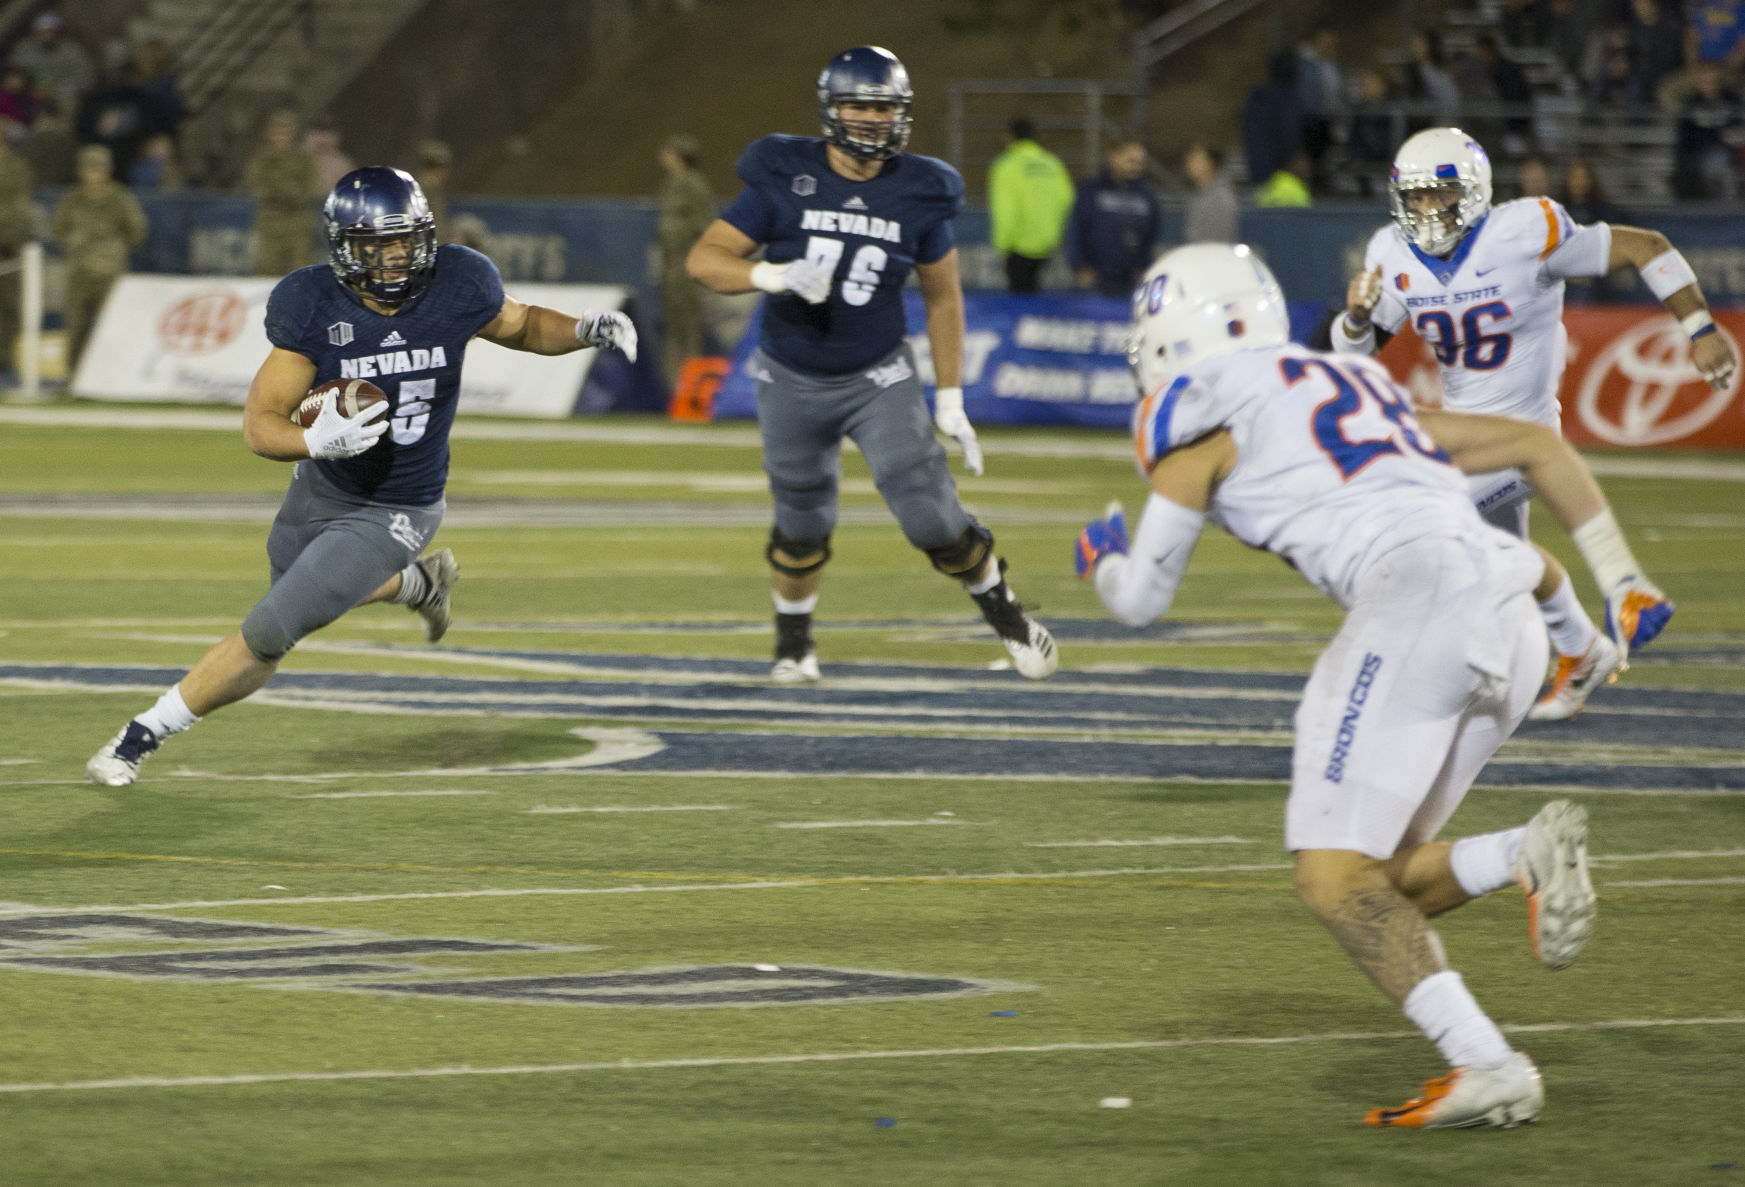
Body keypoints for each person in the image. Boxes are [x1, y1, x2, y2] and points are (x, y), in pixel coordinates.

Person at [1079, 241, 1673, 1128]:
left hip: (1414, 606)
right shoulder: (1354, 381)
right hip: (1507, 611)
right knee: (1378, 876)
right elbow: (1534, 445)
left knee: (1331, 877)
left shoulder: (1199, 412)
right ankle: (1516, 856)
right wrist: (1596, 607)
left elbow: (1139, 599)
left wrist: (1099, 557)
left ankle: (1488, 1064)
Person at [85, 167, 638, 786]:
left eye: (405, 239)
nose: (397, 255)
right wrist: (314, 442)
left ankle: (140, 736)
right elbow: (260, 425)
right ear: (346, 248)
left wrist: (584, 330)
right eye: (379, 244)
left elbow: (524, 324)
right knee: (290, 601)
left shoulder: (458, 281)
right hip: (323, 486)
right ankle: (416, 585)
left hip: (401, 504)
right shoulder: (312, 302)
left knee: (271, 626)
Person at [1332, 127, 1733, 720]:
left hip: (1527, 438)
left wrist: (1700, 329)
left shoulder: (1523, 232)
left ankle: (1479, 658)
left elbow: (1645, 245)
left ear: (1472, 191)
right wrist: (1357, 318)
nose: (1427, 208)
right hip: (1469, 436)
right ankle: (1578, 650)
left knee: (1418, 525)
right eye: (1415, 196)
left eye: (1440, 193)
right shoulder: (1392, 252)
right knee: (1502, 560)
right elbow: (1352, 356)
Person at [686, 46, 1056, 682]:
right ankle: (794, 646)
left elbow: (943, 298)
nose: (871, 118)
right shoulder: (786, 172)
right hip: (790, 373)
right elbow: (705, 258)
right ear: (831, 110)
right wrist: (769, 275)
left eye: (883, 107)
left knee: (930, 513)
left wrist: (950, 398)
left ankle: (1007, 614)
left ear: (901, 114)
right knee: (801, 520)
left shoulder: (920, 189)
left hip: (877, 375)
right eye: (858, 104)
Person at [51, 143, 146, 371]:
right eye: (90, 168)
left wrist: (113, 247)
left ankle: (110, 375)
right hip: (79, 271)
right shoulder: (71, 199)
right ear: (81, 170)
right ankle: (73, 377)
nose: (95, 174)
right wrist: (77, 242)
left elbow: (137, 232)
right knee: (76, 326)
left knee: (110, 325)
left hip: (110, 272)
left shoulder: (120, 198)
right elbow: (59, 230)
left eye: (100, 168)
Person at [656, 132, 717, 385]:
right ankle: (675, 381)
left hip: (688, 263)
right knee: (675, 323)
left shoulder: (694, 184)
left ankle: (692, 381)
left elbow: (705, 225)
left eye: (669, 152)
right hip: (671, 264)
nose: (664, 156)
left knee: (690, 324)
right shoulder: (672, 182)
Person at [987, 117, 1074, 294]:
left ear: (1009, 138)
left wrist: (1003, 244)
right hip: (1048, 243)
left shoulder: (1006, 165)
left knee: (1019, 298)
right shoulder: (1052, 163)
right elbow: (1067, 200)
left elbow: (1005, 208)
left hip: (1017, 245)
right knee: (1038, 295)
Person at [1065, 140, 1160, 297]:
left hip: (1131, 281)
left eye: (1140, 162)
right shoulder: (1092, 190)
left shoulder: (1147, 195)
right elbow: (1076, 230)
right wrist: (1080, 267)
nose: (1136, 167)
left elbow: (1151, 235)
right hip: (1094, 278)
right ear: (1113, 157)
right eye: (1131, 161)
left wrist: (1143, 267)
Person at [246, 110, 317, 276]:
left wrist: (287, 192)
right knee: (266, 268)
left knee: (301, 269)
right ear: (269, 133)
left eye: (285, 131)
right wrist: (283, 191)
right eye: (277, 131)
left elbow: (310, 189)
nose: (281, 136)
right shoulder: (262, 160)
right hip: (270, 219)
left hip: (298, 220)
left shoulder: (304, 160)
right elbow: (256, 186)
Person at [7, 11, 93, 122]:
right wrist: (29, 89)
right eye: (42, 32)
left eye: (50, 32)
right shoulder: (24, 49)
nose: (46, 36)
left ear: (59, 33)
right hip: (27, 94)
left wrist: (55, 92)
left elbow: (86, 78)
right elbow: (13, 73)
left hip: (61, 96)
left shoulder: (72, 51)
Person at [0, 126, 33, 376]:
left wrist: (9, 237)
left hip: (7, 246)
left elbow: (19, 208)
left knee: (9, 305)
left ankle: (5, 358)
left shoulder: (17, 167)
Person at [1181, 144, 1238, 244]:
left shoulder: (1221, 198)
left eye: (1196, 159)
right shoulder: (1198, 195)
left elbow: (1219, 240)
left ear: (1209, 163)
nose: (1189, 163)